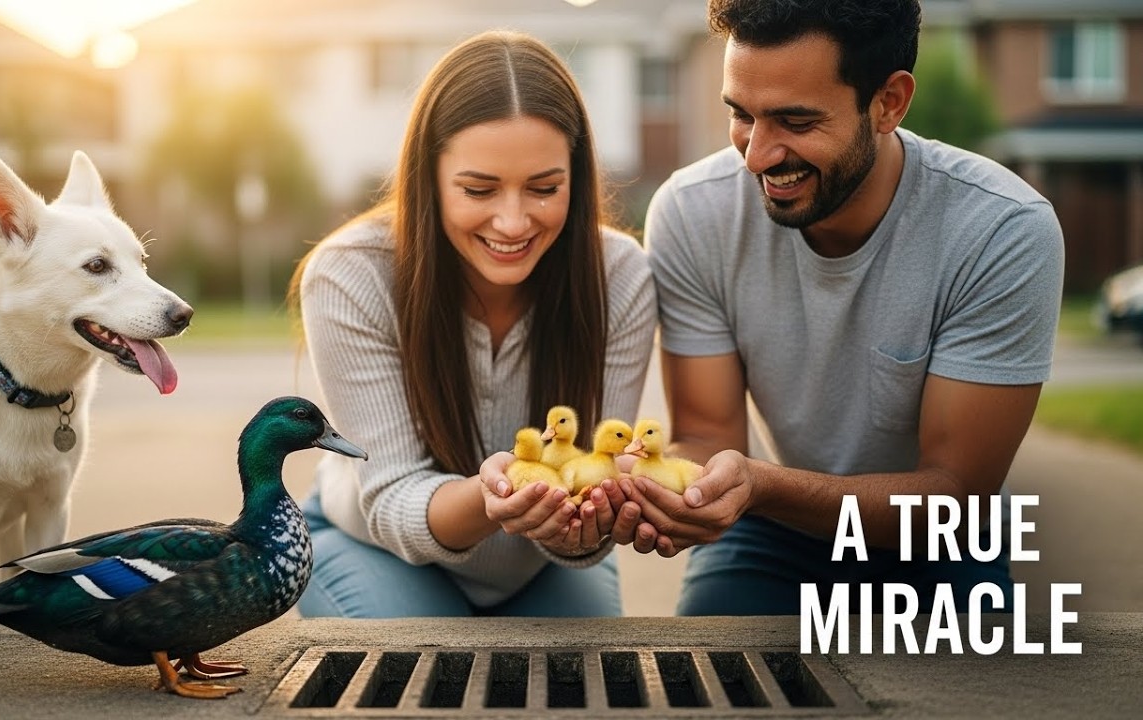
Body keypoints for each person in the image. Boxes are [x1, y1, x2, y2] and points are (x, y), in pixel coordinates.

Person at [627, 0, 1065, 615]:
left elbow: (956, 493)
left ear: (889, 103)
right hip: (772, 527)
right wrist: (648, 486)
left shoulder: (1001, 230)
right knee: (706, 666)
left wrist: (761, 484)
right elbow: (706, 437)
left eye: (796, 121)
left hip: (937, 538)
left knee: (969, 673)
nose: (757, 156)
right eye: (742, 115)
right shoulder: (692, 212)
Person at [290, 30, 656, 617]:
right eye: (479, 189)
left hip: (540, 567)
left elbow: (596, 483)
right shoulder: (349, 274)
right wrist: (493, 500)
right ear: (429, 178)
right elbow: (391, 497)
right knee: (425, 667)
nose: (512, 222)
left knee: (588, 674)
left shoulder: (621, 275)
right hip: (375, 547)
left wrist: (586, 519)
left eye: (544, 188)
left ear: (576, 177)